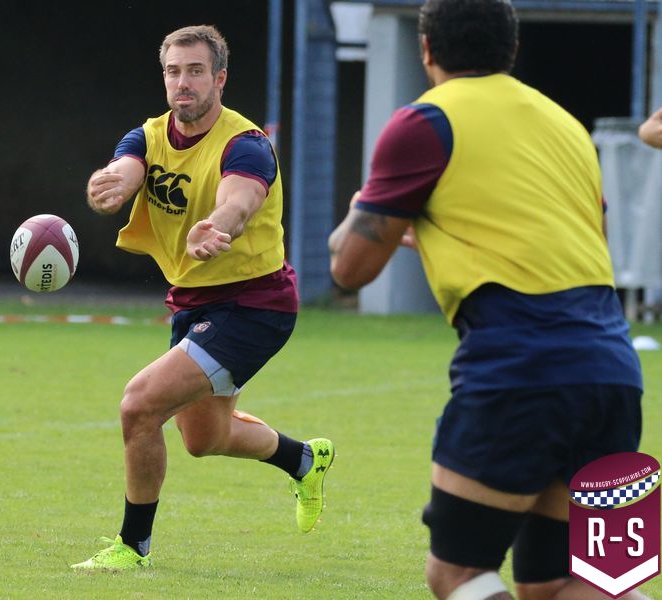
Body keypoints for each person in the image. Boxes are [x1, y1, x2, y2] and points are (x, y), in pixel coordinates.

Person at [328, 1, 645, 599]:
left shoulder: (425, 122)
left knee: (456, 573)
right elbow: (584, 239)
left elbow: (350, 268)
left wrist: (361, 215)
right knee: (570, 583)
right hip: (613, 373)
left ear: (426, 49)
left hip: (520, 370)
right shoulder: (566, 125)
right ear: (512, 50)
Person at [71, 25, 334, 571]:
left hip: (255, 305)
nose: (183, 83)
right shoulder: (147, 136)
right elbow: (125, 170)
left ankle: (132, 546)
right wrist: (108, 186)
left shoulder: (247, 145)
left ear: (219, 79)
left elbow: (239, 201)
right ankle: (304, 460)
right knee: (203, 438)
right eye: (173, 71)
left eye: (195, 71)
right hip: (194, 303)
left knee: (139, 405)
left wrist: (217, 226)